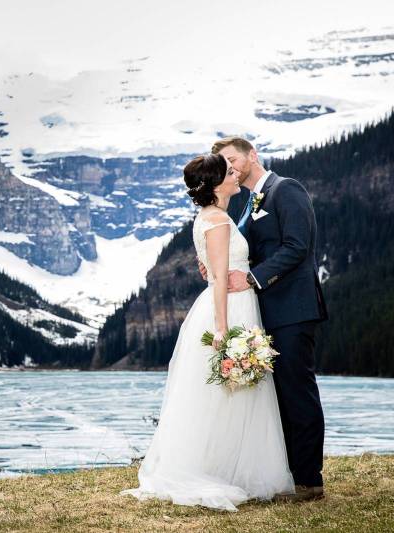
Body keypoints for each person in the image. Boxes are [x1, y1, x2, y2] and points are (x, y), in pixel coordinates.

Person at [119, 153, 294, 512]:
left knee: (238, 392)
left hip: (240, 304)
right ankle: (219, 470)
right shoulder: (216, 220)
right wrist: (222, 329)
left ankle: (237, 469)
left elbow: (216, 269)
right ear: (215, 183)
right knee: (225, 392)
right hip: (228, 310)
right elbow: (218, 281)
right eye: (229, 172)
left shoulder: (217, 217)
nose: (236, 174)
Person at [209, 136, 328, 502]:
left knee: (297, 392)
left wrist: (251, 278)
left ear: (252, 155)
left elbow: (297, 246)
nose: (228, 165)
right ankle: (291, 475)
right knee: (277, 399)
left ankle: (310, 481)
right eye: (222, 162)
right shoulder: (248, 202)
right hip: (266, 314)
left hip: (293, 310)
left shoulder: (285, 189)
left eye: (232, 158)